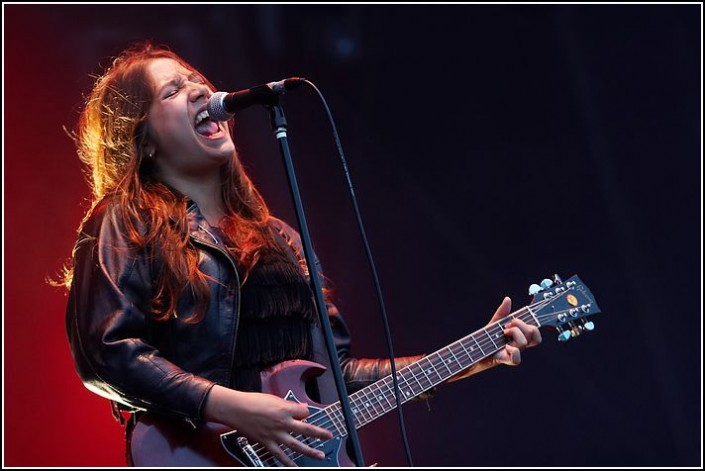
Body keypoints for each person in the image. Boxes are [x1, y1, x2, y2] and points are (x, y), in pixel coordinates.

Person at [62, 42, 542, 467]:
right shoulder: (124, 222)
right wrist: (230, 406)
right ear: (142, 139)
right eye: (171, 91)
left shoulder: (280, 239)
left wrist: (472, 356)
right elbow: (106, 353)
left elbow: (337, 375)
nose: (198, 91)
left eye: (197, 81)